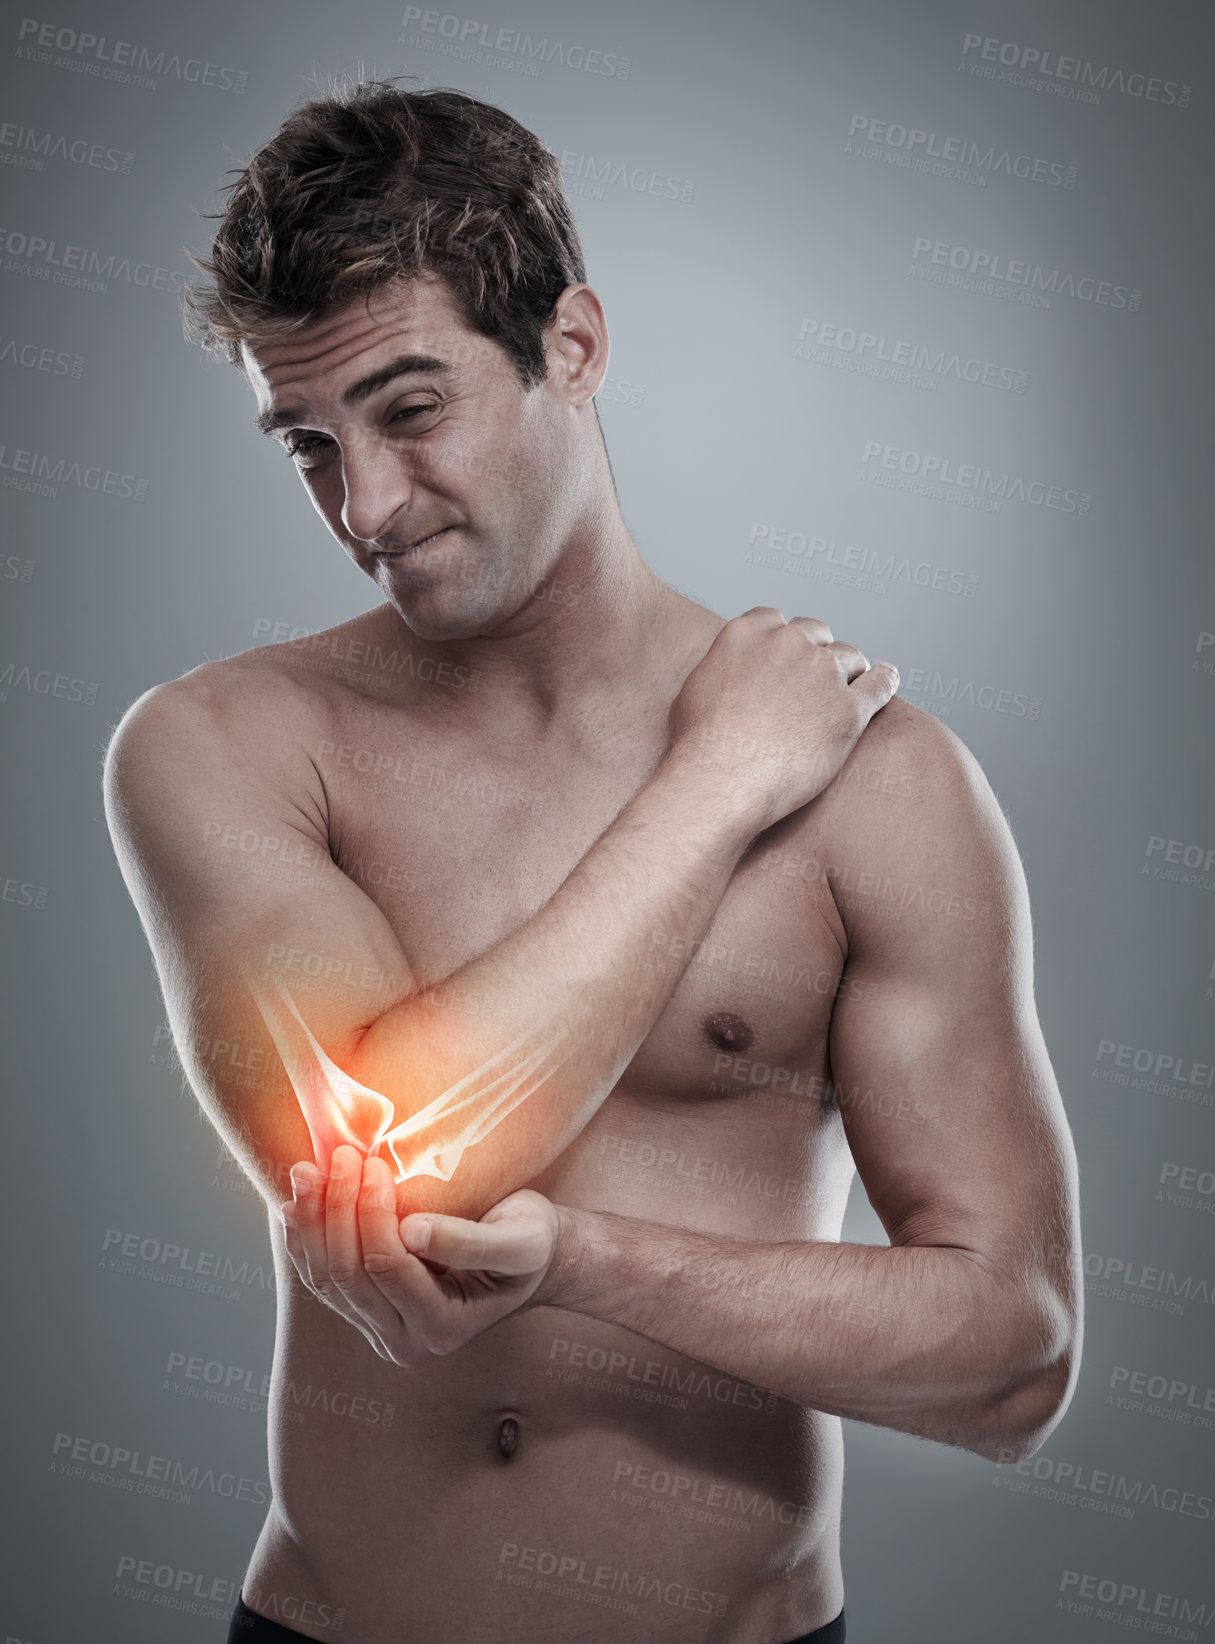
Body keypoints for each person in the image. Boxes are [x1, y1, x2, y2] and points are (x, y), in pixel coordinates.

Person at [102, 79, 1081, 1644]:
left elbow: (1014, 1363)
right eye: (307, 445)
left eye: (411, 411)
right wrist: (713, 788)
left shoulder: (884, 789)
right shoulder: (223, 743)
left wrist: (591, 1261)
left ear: (573, 343)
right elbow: (415, 1164)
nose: (364, 506)